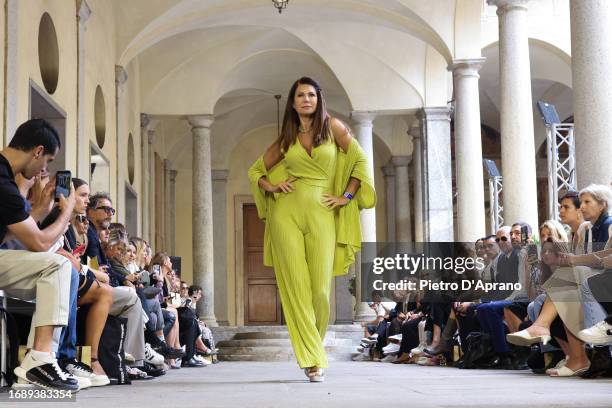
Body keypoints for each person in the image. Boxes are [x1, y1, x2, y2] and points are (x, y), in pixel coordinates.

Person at [248, 76, 376, 382]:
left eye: (311, 95)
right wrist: (273, 186)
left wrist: (346, 196)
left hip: (322, 211)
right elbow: (255, 171)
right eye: (300, 95)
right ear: (292, 102)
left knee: (319, 290)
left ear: (319, 100)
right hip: (285, 214)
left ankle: (313, 347)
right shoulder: (287, 138)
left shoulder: (333, 128)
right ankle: (312, 359)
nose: (306, 99)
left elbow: (359, 160)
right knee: (295, 289)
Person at [0, 119, 78, 390]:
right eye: (48, 160)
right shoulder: (3, 182)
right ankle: (40, 359)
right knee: (56, 266)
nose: (45, 169)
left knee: (59, 270)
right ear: (37, 151)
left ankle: (43, 361)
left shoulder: (4, 177)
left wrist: (40, 213)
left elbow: (7, 233)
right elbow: (41, 245)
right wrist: (67, 210)